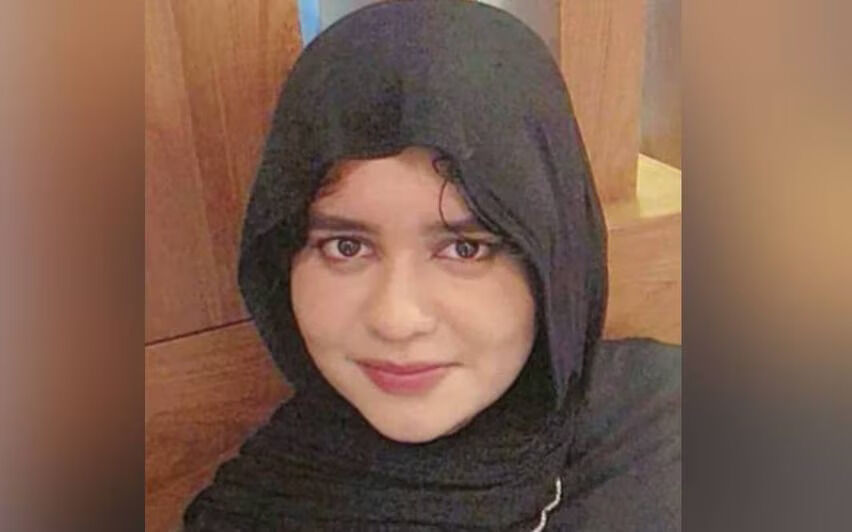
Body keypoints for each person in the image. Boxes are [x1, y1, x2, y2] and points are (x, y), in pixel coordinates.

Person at [184, 0, 681, 530]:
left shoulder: (680, 436)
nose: (396, 320)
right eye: (345, 247)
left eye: (465, 248)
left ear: (553, 258)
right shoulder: (255, 512)